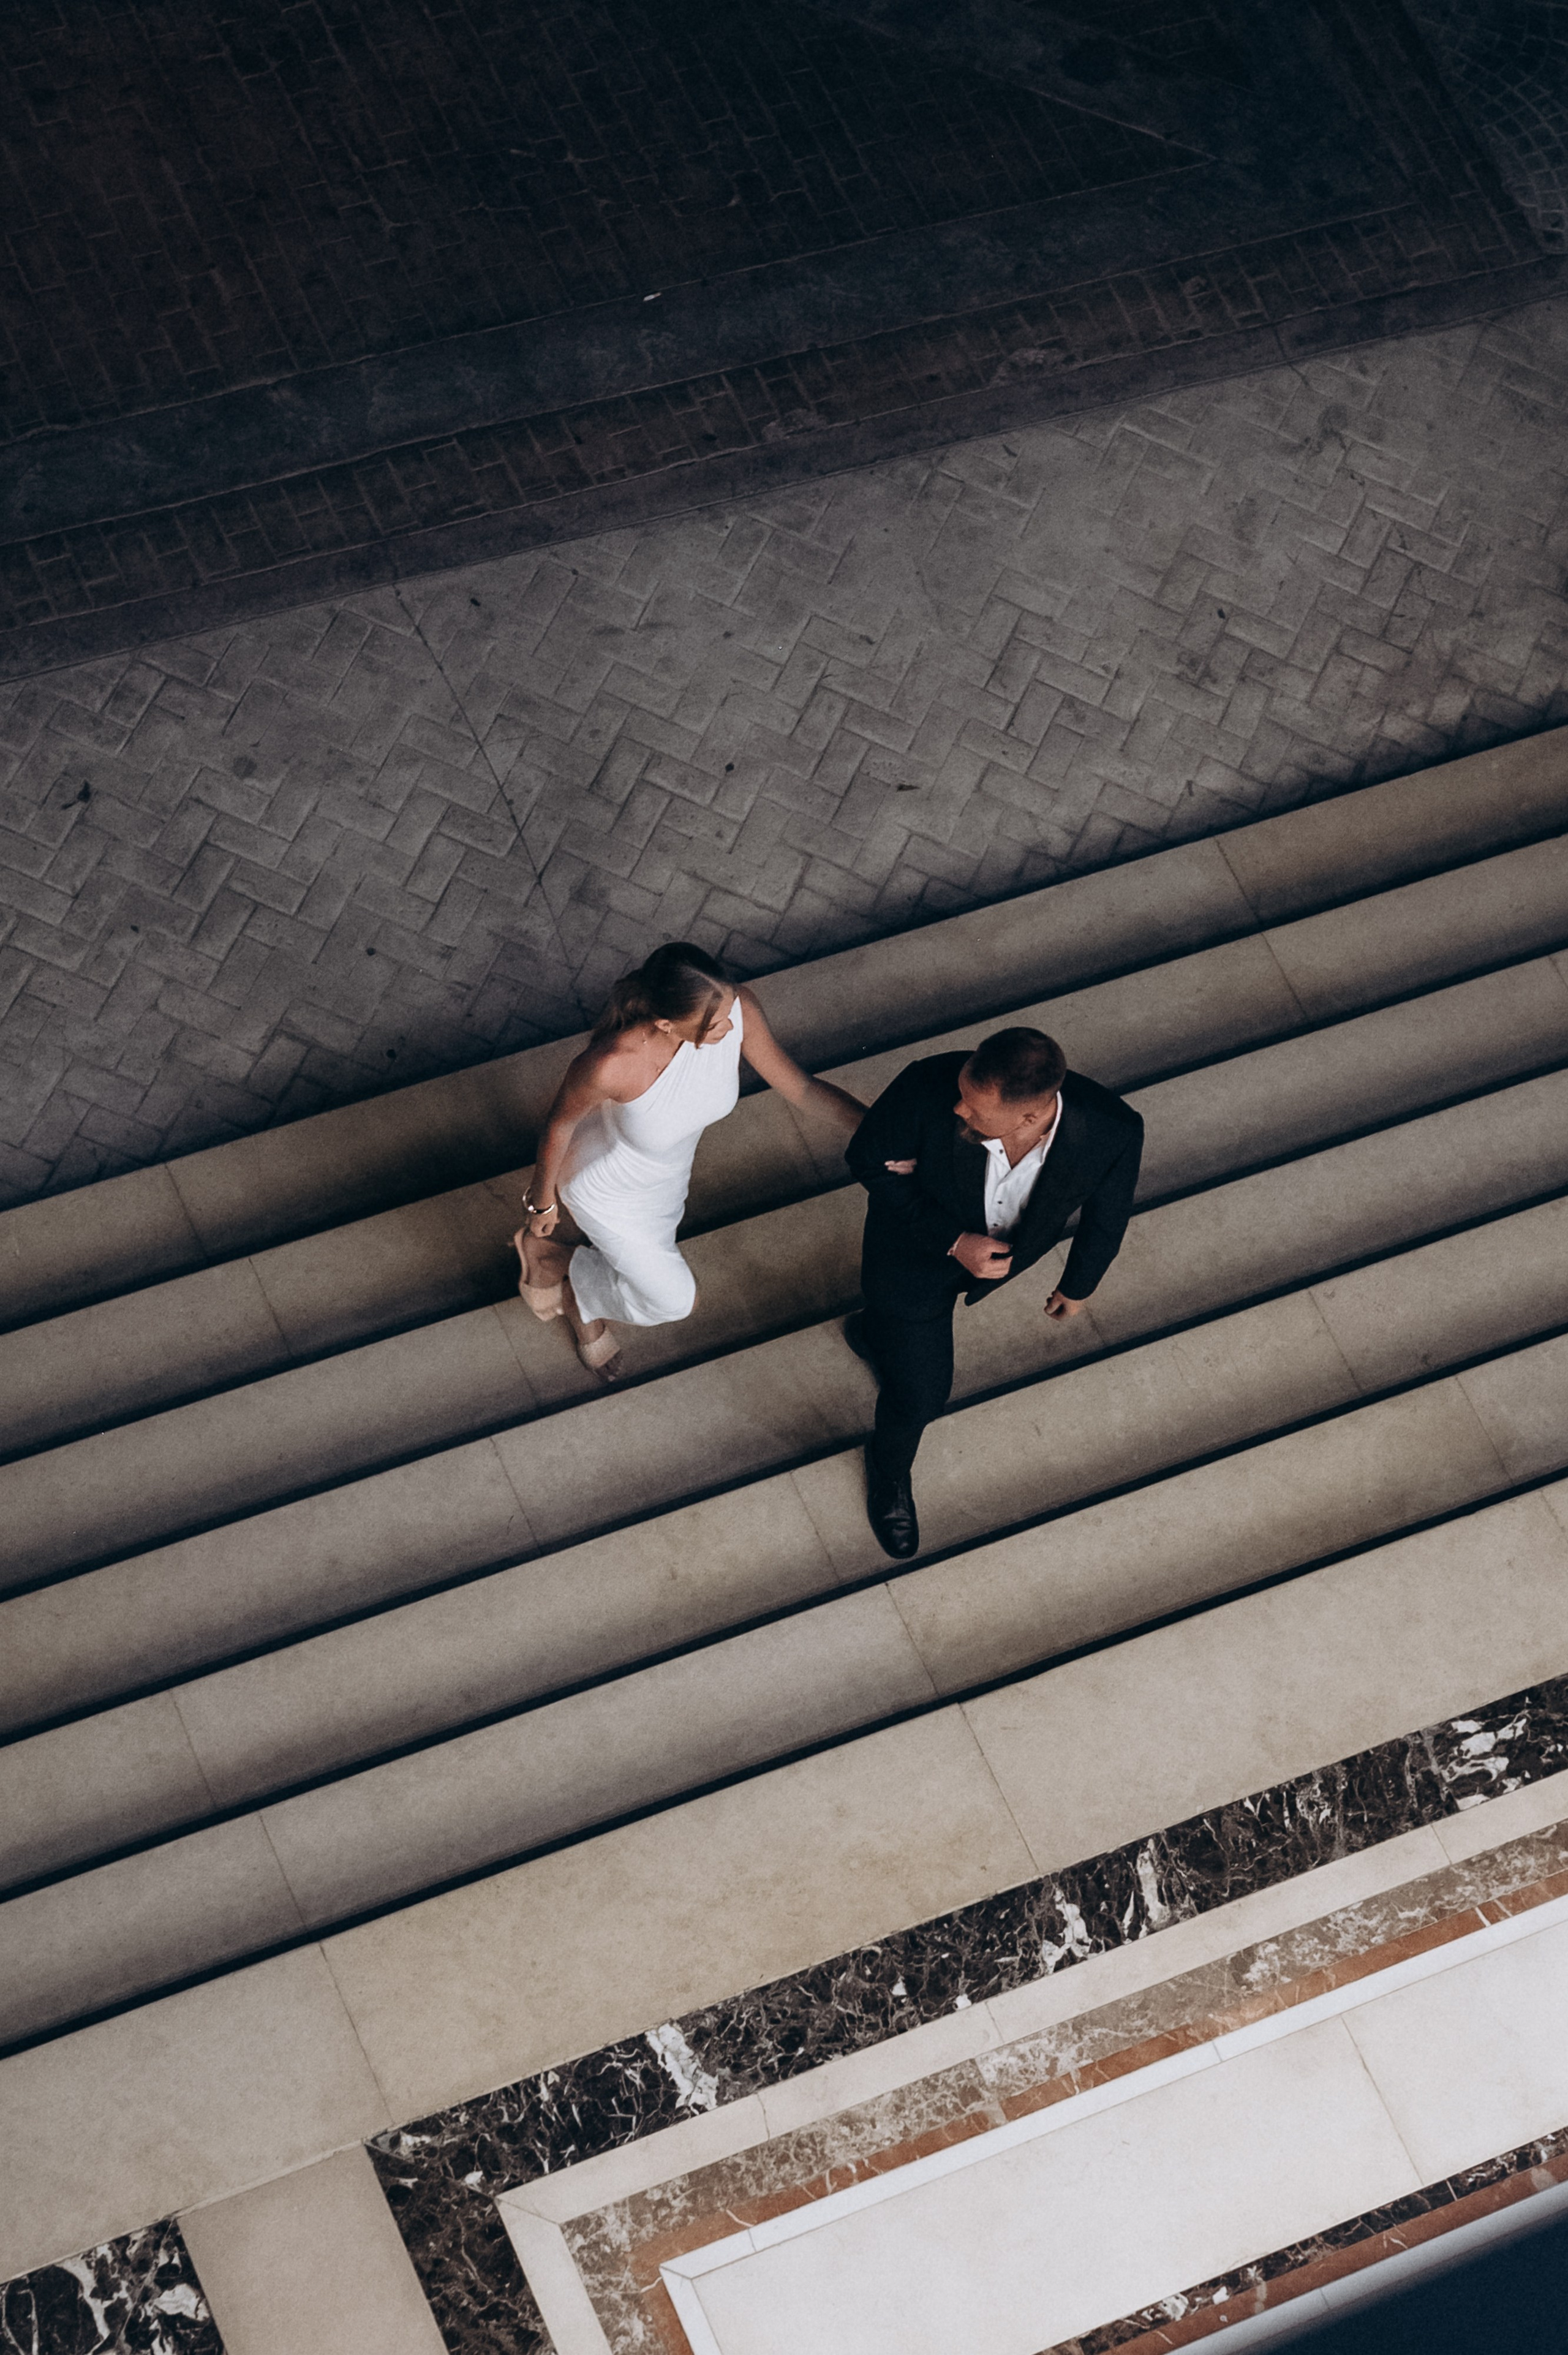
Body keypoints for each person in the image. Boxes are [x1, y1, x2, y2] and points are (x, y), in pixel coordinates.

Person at [843, 1026, 1143, 1558]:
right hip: (912, 1262)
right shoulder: (926, 1085)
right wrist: (954, 1241)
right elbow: (866, 1158)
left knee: (894, 1344)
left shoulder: (1112, 1130)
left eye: (975, 1108)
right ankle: (889, 1475)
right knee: (921, 1398)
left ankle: (875, 1331)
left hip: (998, 1262)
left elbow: (1109, 1211)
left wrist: (1079, 1284)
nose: (958, 1109)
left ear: (1031, 1116)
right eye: (961, 1094)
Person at [515, 942, 867, 1380]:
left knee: (646, 1264)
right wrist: (543, 1204)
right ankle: (561, 1272)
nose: (729, 1026)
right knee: (674, 1300)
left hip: (667, 1175)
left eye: (728, 1012)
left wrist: (874, 1131)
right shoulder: (613, 1062)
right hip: (607, 1187)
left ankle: (562, 1267)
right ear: (665, 1023)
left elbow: (802, 1088)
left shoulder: (737, 1008)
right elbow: (559, 1126)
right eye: (714, 1025)